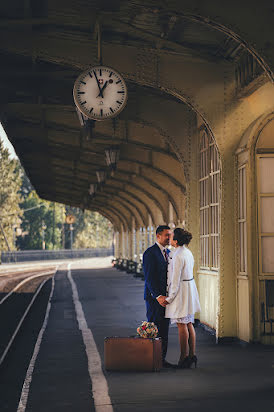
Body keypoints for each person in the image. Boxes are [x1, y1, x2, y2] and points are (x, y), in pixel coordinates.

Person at [165, 228, 201, 369]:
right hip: (190, 288)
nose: (170, 238)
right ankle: (192, 355)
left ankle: (183, 357)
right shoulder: (187, 252)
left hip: (181, 291)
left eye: (172, 236)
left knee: (181, 325)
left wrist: (170, 297)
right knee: (189, 323)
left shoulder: (177, 255)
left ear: (176, 240)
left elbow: (175, 278)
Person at [142, 225, 174, 368]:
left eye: (170, 235)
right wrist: (158, 296)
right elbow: (149, 278)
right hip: (154, 299)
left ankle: (162, 360)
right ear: (158, 236)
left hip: (166, 299)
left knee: (164, 330)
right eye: (166, 235)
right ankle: (151, 359)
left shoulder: (168, 252)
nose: (169, 238)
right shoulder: (150, 253)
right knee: (154, 328)